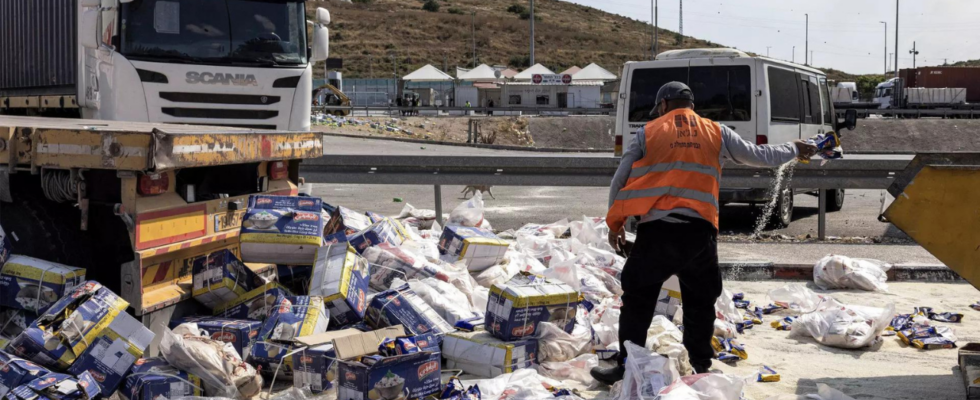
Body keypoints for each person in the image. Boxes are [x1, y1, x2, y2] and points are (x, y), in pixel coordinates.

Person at [590, 82, 818, 384]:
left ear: (662, 106)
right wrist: (794, 148)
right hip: (700, 233)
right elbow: (758, 155)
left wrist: (615, 224)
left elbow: (620, 178)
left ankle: (626, 365)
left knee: (638, 299)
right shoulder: (716, 131)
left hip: (658, 231)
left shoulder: (648, 132)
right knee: (700, 302)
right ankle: (700, 367)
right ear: (692, 106)